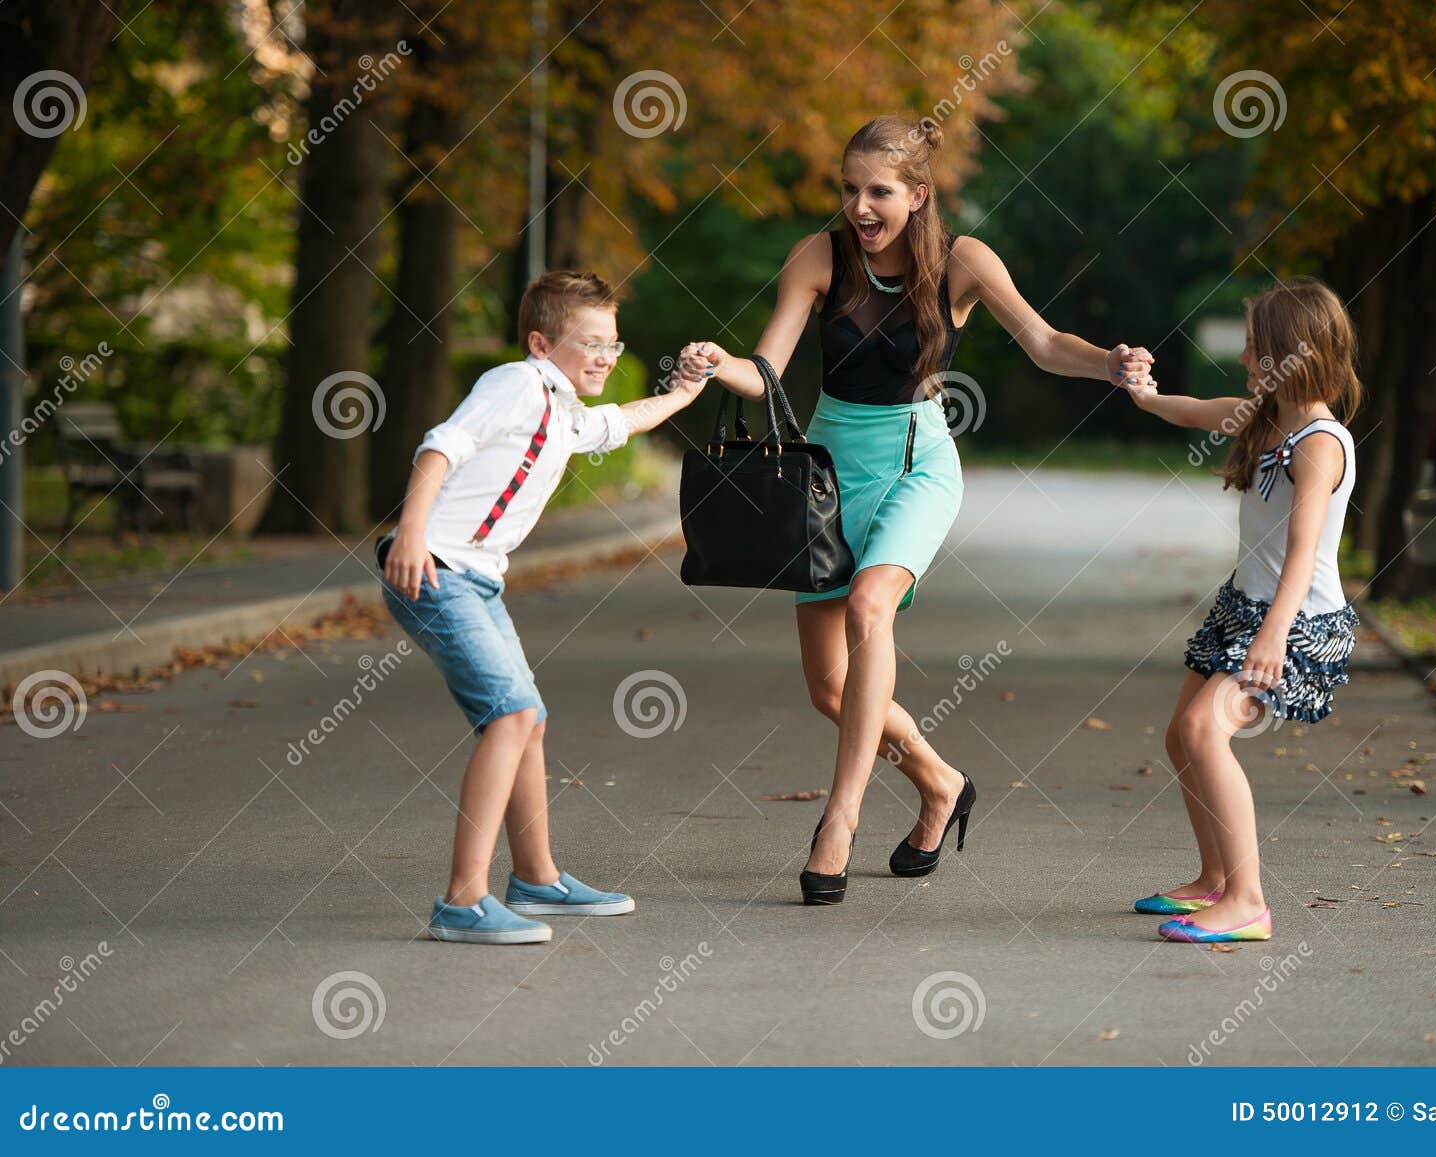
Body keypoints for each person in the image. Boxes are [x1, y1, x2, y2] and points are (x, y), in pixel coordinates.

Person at [675, 114, 1153, 904]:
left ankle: (840, 819)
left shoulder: (961, 261)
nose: (860, 207)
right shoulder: (818, 257)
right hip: (825, 476)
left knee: (871, 607)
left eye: (879, 192)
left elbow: (1040, 341)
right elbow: (766, 372)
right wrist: (720, 362)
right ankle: (939, 781)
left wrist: (1108, 362)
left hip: (916, 466)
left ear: (919, 194)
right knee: (828, 688)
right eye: (850, 189)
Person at [380, 270, 706, 944]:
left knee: (529, 721)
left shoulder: (561, 409)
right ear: (540, 342)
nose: (605, 358)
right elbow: (441, 447)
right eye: (590, 342)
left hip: (476, 578)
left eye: (613, 346)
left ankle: (536, 878)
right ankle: (461, 900)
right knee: (512, 714)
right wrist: (410, 534)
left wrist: (682, 393)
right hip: (437, 568)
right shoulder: (516, 384)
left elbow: (617, 422)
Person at [1120, 277, 1362, 943]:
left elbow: (1303, 549)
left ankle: (1250, 901)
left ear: (1290, 353)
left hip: (1298, 623)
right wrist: (1143, 396)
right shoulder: (1264, 418)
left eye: (1254, 347)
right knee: (1181, 736)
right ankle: (1214, 880)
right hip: (1244, 607)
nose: (1242, 358)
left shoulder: (1319, 441)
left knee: (1204, 730)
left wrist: (1275, 634)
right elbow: (1192, 409)